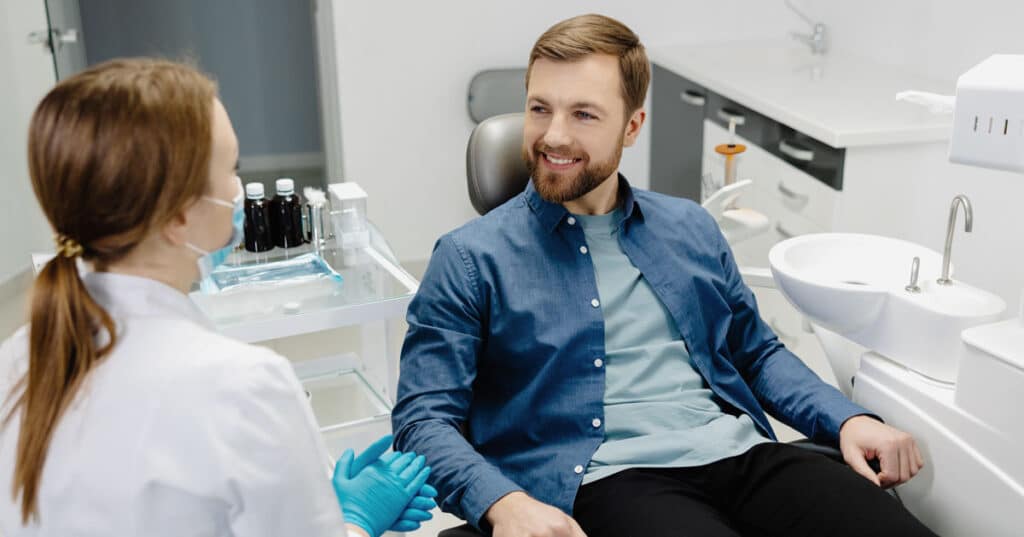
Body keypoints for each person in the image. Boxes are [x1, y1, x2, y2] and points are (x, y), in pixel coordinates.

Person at [392, 14, 937, 537]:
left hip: (742, 453)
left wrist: (845, 420)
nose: (553, 136)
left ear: (632, 127)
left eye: (584, 114)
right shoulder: (469, 259)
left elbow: (755, 353)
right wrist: (503, 504)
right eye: (540, 109)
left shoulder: (689, 227)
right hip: (611, 478)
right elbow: (422, 421)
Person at [0, 58, 434, 537]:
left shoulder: (16, 360)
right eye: (232, 170)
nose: (240, 190)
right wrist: (354, 520)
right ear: (178, 216)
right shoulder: (243, 386)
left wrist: (298, 496)